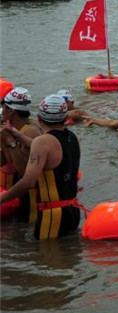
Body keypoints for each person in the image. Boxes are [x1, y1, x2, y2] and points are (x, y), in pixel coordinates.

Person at [0, 95, 81, 240]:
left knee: (44, 253)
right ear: (65, 118)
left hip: (52, 215)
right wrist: (18, 135)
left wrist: (2, 198)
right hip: (73, 210)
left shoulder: (42, 142)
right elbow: (43, 149)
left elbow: (28, 182)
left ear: (39, 118)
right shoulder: (72, 137)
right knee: (67, 251)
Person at [1, 88, 42, 222]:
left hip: (31, 199)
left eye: (4, 107)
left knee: (25, 230)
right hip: (18, 194)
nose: (1, 111)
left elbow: (22, 170)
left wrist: (9, 141)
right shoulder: (14, 129)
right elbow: (3, 161)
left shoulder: (30, 132)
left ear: (11, 111)